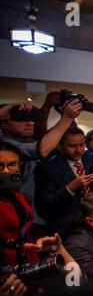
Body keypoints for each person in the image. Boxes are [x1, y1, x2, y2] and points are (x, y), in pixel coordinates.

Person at [0, 142, 76, 295]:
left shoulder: (17, 196)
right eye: (0, 166)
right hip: (6, 277)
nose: (7, 171)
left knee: (74, 284)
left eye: (12, 164)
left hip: (27, 267)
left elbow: (78, 279)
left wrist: (46, 246)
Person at [0, 99, 82, 234]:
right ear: (3, 122)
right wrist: (67, 117)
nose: (29, 123)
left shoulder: (27, 139)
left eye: (31, 118)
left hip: (38, 215)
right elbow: (41, 150)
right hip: (17, 216)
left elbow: (41, 138)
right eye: (19, 119)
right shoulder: (5, 145)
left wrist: (47, 107)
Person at [34, 127, 93, 239]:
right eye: (72, 146)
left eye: (81, 145)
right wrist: (70, 188)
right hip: (66, 228)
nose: (78, 150)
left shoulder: (92, 161)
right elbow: (44, 205)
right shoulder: (48, 168)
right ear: (59, 146)